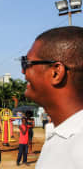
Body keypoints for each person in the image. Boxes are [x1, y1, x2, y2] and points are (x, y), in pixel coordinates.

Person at [21, 26, 83, 168]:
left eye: (26, 63)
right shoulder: (61, 136)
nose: (22, 71)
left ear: (56, 73)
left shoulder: (79, 147)